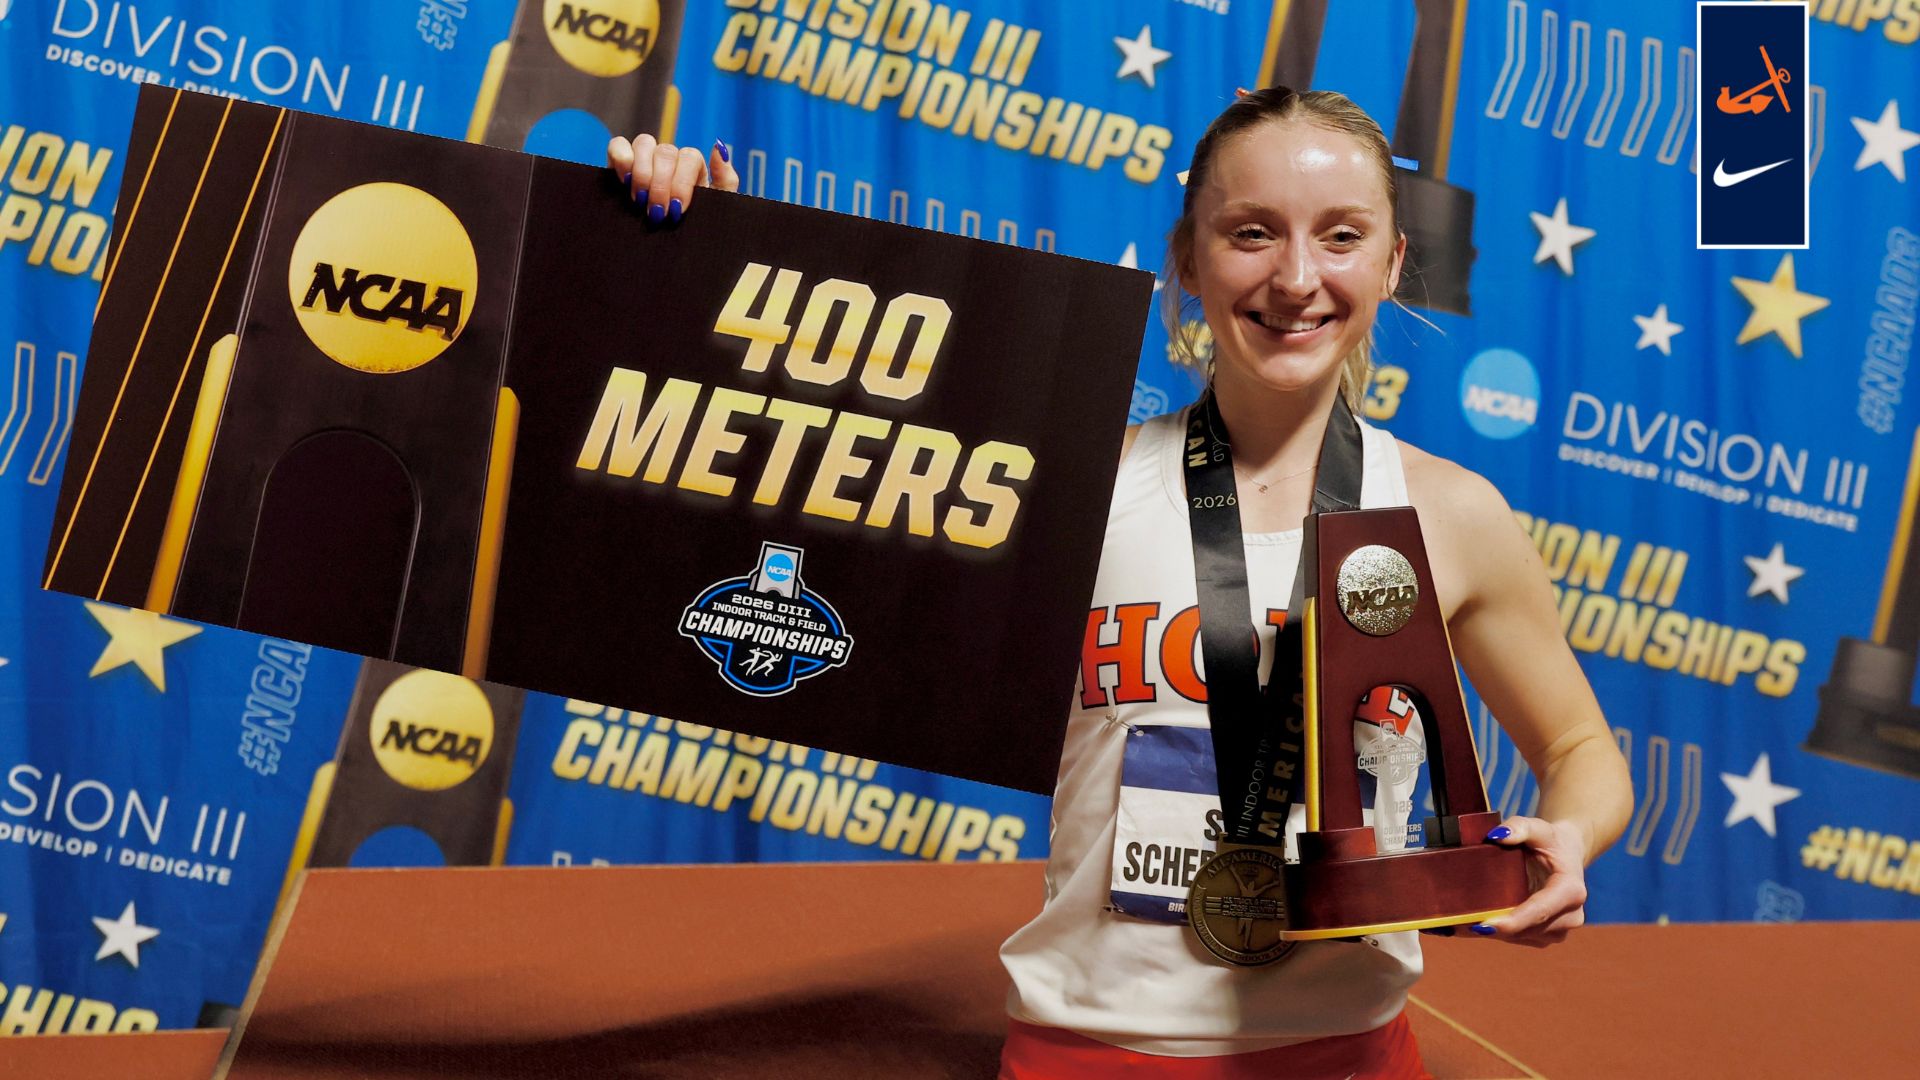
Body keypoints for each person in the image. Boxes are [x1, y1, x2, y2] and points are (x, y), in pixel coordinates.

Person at [609, 86, 1633, 1079]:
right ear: (1186, 260)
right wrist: (700, 260)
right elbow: (770, 550)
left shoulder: (1450, 516)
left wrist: (1569, 836)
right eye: (1251, 233)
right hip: (1087, 1055)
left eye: (1341, 235)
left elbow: (1582, 748)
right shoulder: (1058, 486)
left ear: (1393, 262)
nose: (1296, 277)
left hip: (1355, 1060)